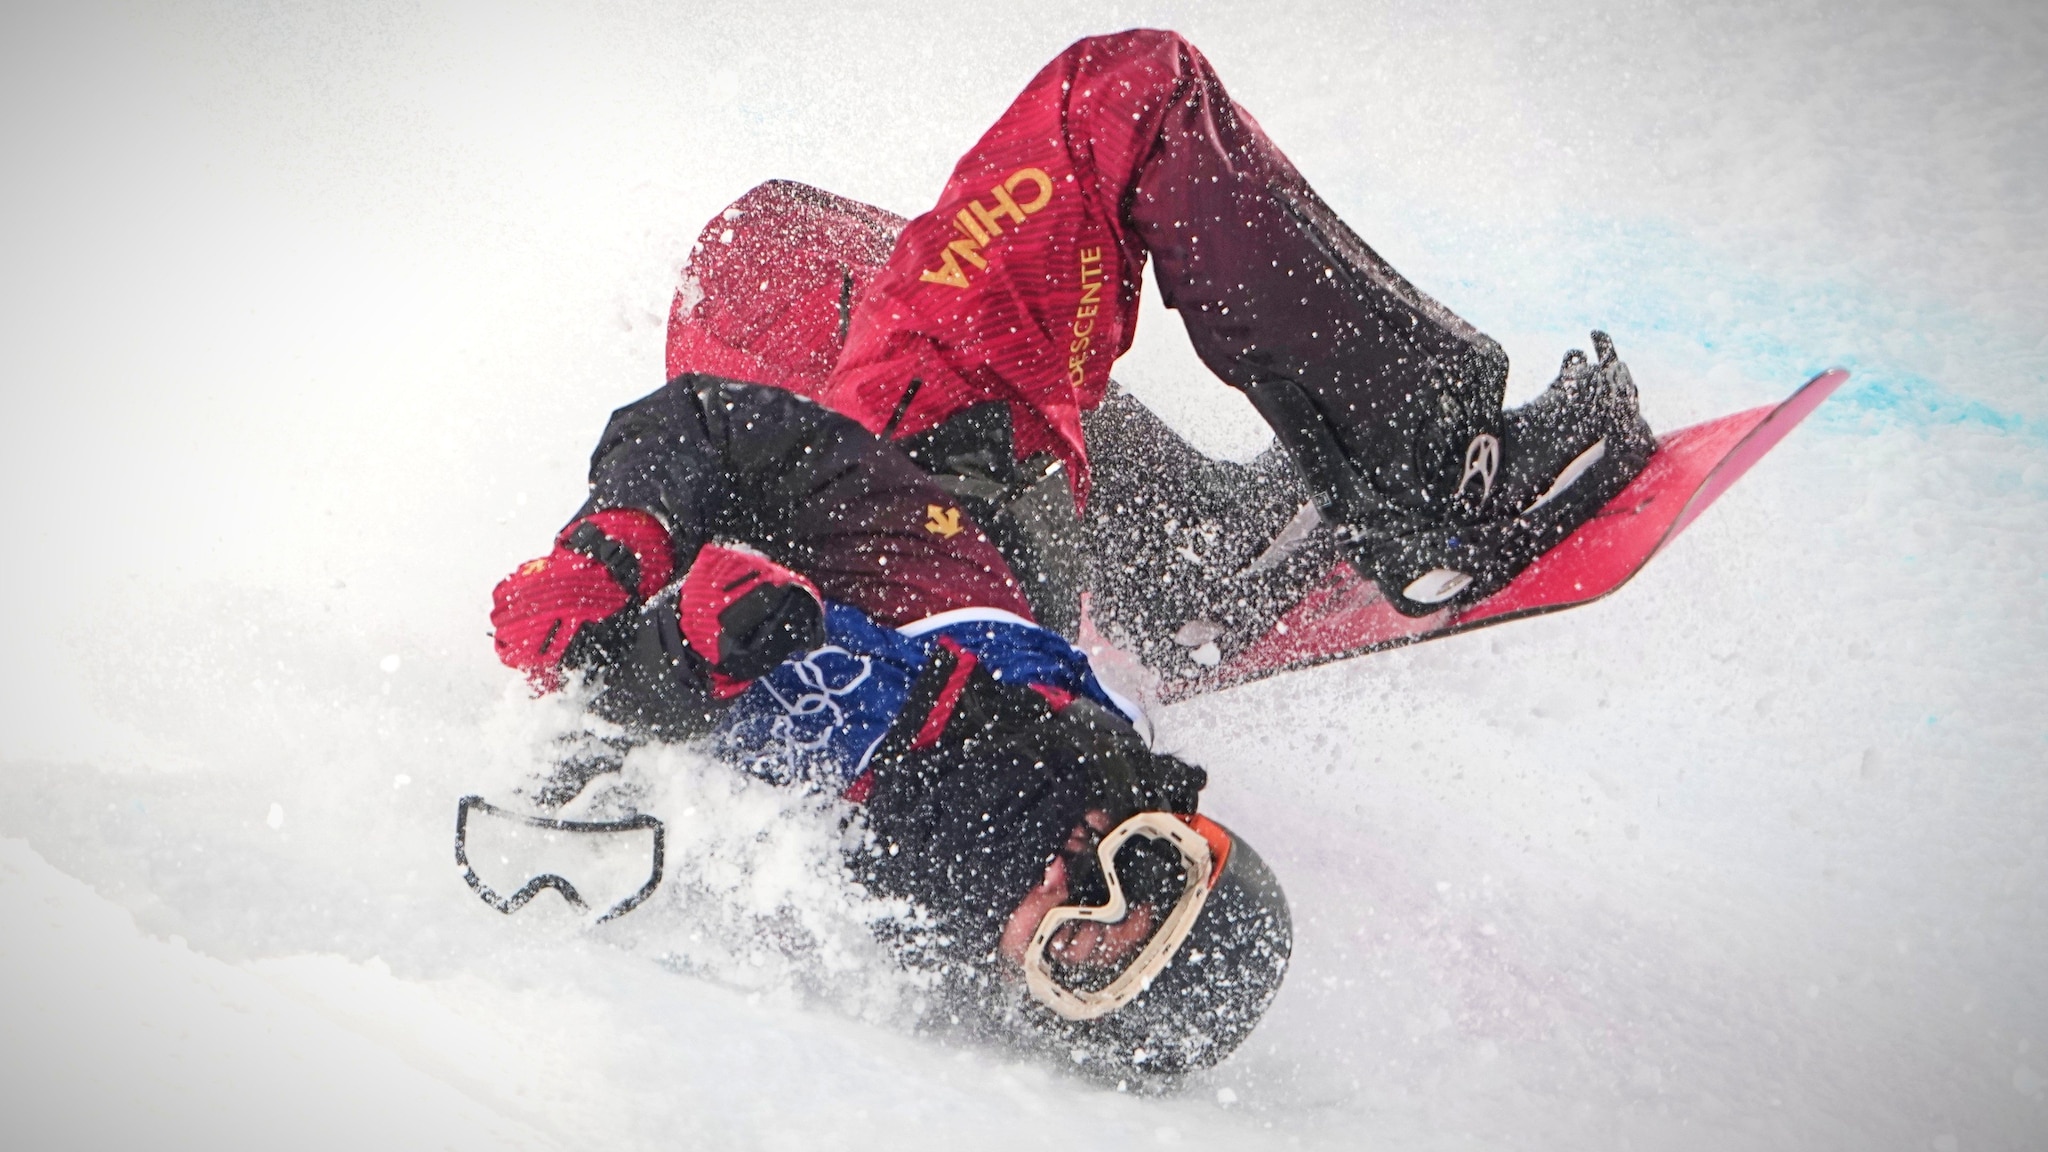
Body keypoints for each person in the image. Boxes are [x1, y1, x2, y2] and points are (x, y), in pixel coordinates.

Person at [487, 30, 1652, 1080]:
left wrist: (630, 630)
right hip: (942, 499)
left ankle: (1191, 555)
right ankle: (1428, 474)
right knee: (1054, 145)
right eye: (1143, 869)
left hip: (906, 499)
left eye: (1074, 947)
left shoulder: (839, 902)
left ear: (1033, 995)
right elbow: (708, 435)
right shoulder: (1002, 734)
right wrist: (614, 552)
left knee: (798, 240)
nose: (1073, 877)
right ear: (1174, 819)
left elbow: (649, 684)